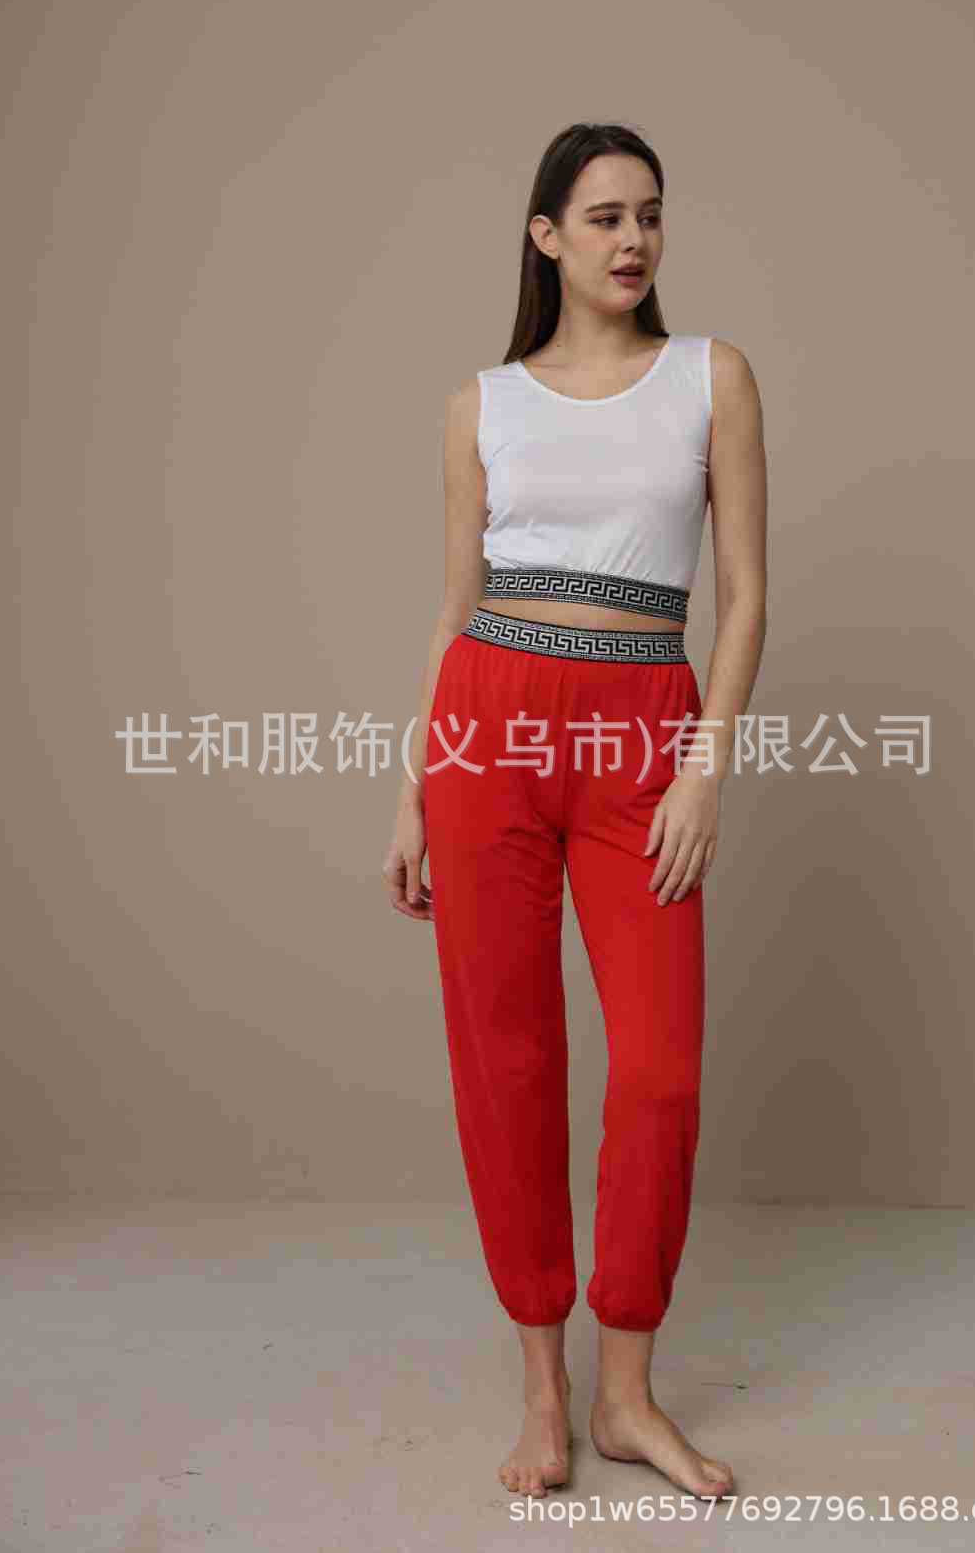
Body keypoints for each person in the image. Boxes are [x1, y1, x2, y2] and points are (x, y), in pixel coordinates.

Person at [383, 122, 768, 1502]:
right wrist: (416, 787)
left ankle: (628, 1395)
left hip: (642, 733)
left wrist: (705, 766)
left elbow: (747, 598)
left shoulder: (711, 378)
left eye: (649, 214)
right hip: (486, 727)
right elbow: (451, 609)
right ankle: (546, 1394)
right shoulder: (481, 403)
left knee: (659, 1067)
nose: (633, 240)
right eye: (604, 216)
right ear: (544, 236)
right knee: (507, 1058)